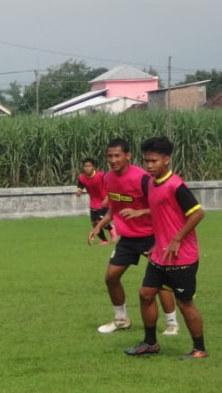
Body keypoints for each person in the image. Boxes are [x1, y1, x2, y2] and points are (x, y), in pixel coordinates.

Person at [123, 137, 207, 360]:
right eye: (146, 161)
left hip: (182, 258)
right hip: (160, 254)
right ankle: (150, 343)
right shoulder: (152, 183)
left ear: (167, 160)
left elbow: (198, 213)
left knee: (184, 303)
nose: (149, 165)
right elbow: (162, 209)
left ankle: (200, 349)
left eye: (154, 161)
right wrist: (140, 213)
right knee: (145, 294)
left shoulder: (176, 185)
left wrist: (178, 238)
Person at [88, 138, 179, 336]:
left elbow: (160, 204)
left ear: (128, 155)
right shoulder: (108, 178)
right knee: (111, 277)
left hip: (151, 236)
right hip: (128, 239)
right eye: (110, 156)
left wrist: (140, 213)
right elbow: (115, 206)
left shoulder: (142, 178)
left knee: (160, 280)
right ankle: (121, 319)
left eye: (117, 155)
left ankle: (172, 323)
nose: (113, 160)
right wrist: (100, 226)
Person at [75, 157, 110, 243]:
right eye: (85, 166)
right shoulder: (82, 177)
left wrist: (107, 197)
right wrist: (78, 191)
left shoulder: (101, 175)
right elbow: (80, 186)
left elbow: (110, 185)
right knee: (94, 224)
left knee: (100, 222)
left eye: (89, 166)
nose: (87, 168)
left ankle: (111, 229)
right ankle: (104, 240)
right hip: (93, 203)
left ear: (93, 167)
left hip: (104, 202)